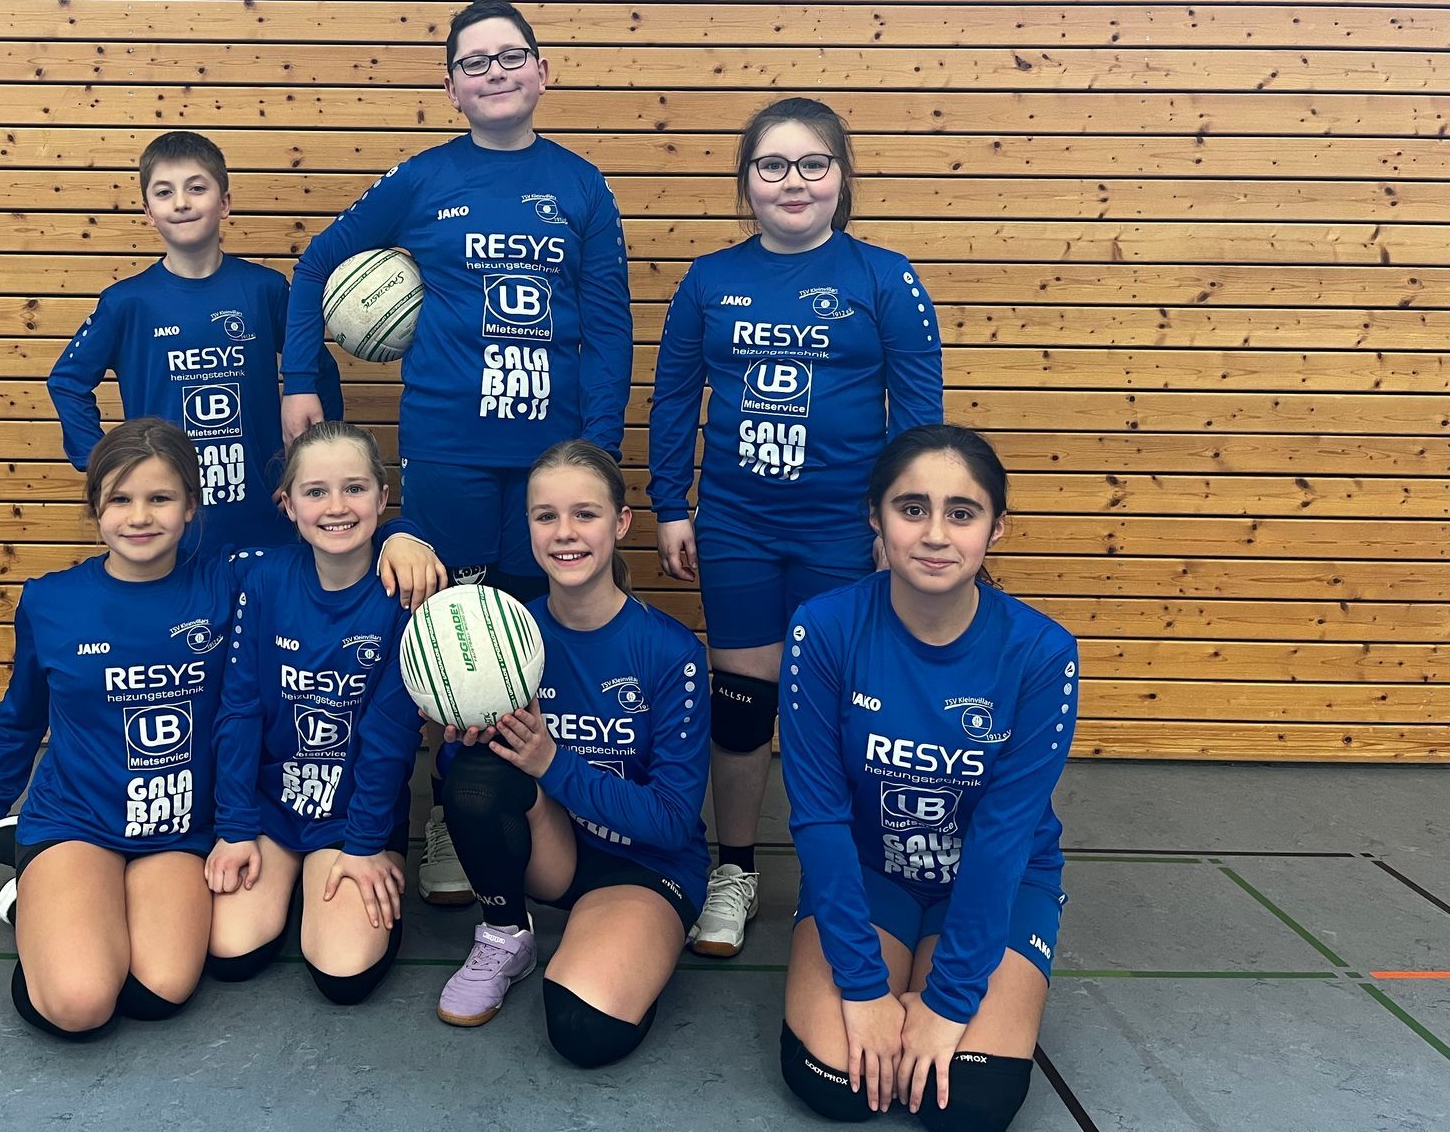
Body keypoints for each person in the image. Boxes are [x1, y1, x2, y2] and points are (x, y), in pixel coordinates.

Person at [280, 0, 634, 905]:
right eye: (475, 63)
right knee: (450, 636)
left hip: (550, 464)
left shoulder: (582, 186)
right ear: (452, 88)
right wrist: (300, 380)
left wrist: (595, 453)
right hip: (449, 452)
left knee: (538, 634)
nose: (496, 73)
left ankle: (539, 801)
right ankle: (450, 810)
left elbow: (608, 328)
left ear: (542, 71)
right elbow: (317, 263)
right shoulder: (422, 179)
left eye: (511, 56)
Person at [648, 96, 943, 957]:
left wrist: (901, 524)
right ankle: (735, 871)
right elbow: (673, 399)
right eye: (772, 165)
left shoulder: (885, 278)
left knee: (834, 712)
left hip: (842, 532)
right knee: (742, 711)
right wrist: (670, 504)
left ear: (841, 177)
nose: (793, 181)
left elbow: (918, 421)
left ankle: (834, 874)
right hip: (737, 526)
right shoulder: (709, 280)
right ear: (747, 181)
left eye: (813, 163)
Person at [778, 425, 1077, 1130]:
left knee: (968, 1104)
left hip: (995, 880)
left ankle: (935, 973)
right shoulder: (823, 629)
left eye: (961, 513)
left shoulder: (1042, 652)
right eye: (912, 509)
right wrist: (863, 988)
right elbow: (818, 817)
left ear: (996, 528)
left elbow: (1004, 837)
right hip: (868, 872)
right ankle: (890, 966)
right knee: (838, 1086)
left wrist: (947, 1002)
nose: (936, 534)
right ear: (876, 517)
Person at [0, 419, 236, 1040]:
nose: (139, 516)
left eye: (160, 498)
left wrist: (401, 537)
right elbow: (21, 715)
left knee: (158, 992)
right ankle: (36, 887)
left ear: (191, 505)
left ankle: (60, 911)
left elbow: (324, 550)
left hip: (178, 830)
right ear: (96, 507)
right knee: (80, 1005)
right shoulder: (51, 601)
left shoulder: (226, 585)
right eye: (120, 499)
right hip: (77, 819)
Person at [432, 440, 710, 1069]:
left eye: (585, 514)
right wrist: (463, 740)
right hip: (553, 852)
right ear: (527, 526)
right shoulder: (504, 638)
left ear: (621, 523)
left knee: (585, 1032)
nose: (565, 533)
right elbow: (469, 785)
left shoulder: (671, 652)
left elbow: (672, 822)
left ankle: (635, 935)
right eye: (545, 516)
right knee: (474, 774)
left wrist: (552, 762)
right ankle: (506, 933)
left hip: (644, 864)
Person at [204, 421, 446, 1005]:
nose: (336, 507)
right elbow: (239, 711)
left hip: (353, 815)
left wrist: (365, 844)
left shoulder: (407, 594)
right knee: (230, 951)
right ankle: (290, 880)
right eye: (315, 492)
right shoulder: (264, 579)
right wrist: (235, 827)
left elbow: (390, 736)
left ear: (382, 498)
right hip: (272, 807)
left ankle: (323, 882)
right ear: (288, 505)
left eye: (354, 488)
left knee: (343, 973)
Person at [47, 129, 342, 560]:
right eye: (164, 192)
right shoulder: (126, 303)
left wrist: (313, 469)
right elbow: (67, 382)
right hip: (168, 525)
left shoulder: (264, 289)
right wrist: (103, 465)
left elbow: (318, 370)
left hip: (263, 514)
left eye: (197, 188)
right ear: (148, 211)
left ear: (224, 202)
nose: (181, 202)